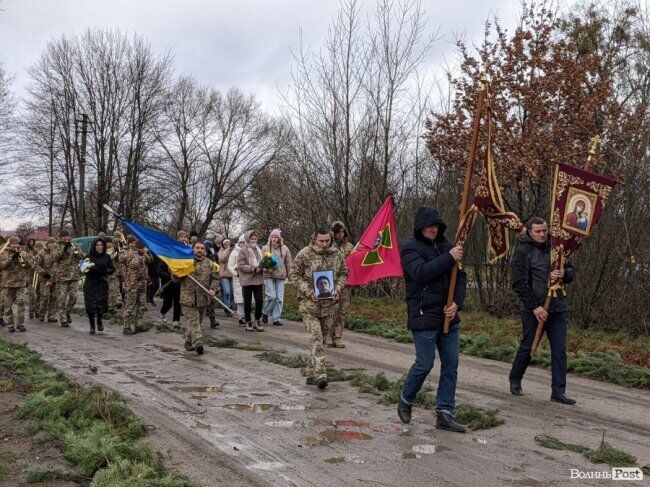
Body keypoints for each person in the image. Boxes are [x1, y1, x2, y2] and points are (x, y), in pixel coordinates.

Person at [397, 207, 468, 433]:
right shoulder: (409, 248)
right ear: (420, 228)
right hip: (423, 315)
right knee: (424, 363)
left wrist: (457, 303)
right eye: (429, 226)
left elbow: (461, 278)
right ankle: (406, 398)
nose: (433, 229)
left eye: (436, 226)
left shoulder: (448, 247)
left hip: (448, 316)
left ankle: (445, 412)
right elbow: (421, 273)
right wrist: (449, 257)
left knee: (451, 365)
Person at [509, 217, 577, 405]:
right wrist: (535, 307)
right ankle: (515, 379)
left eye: (544, 230)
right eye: (538, 231)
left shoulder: (558, 249)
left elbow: (571, 273)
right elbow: (519, 283)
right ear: (530, 232)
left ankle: (558, 391)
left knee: (559, 350)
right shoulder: (523, 252)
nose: (542, 234)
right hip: (533, 309)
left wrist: (565, 273)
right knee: (528, 345)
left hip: (557, 307)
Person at [289, 227, 349, 390]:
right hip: (309, 306)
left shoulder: (337, 254)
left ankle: (310, 372)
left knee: (322, 341)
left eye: (327, 241)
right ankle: (321, 375)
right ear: (314, 239)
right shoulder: (304, 254)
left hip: (329, 306)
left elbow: (344, 273)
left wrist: (337, 288)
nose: (324, 244)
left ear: (331, 240)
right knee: (316, 340)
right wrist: (308, 292)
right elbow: (293, 275)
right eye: (321, 241)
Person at [179, 241, 220, 355]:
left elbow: (215, 279)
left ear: (205, 250)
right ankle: (198, 343)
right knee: (194, 321)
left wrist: (213, 289)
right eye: (197, 248)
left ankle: (188, 342)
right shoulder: (185, 261)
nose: (200, 250)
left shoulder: (210, 263)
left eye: (202, 248)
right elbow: (176, 279)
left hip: (202, 299)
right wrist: (175, 272)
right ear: (193, 249)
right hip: (188, 299)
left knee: (197, 322)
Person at [329, 221, 355, 348]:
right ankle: (327, 335)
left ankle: (337, 337)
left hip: (345, 283)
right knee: (331, 309)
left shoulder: (349, 247)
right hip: (330, 282)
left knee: (342, 311)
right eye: (338, 231)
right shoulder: (327, 245)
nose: (340, 234)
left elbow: (356, 262)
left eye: (342, 231)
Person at [119, 236, 152, 335]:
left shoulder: (142, 254)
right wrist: (134, 252)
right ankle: (127, 327)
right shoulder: (128, 253)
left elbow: (150, 260)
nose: (133, 245)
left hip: (142, 284)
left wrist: (145, 252)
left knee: (142, 305)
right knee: (130, 306)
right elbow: (122, 260)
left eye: (135, 243)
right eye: (131, 243)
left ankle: (139, 325)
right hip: (132, 284)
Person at [52, 229, 85, 328]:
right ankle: (63, 319)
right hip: (62, 276)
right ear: (61, 237)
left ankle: (67, 312)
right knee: (62, 298)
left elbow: (82, 256)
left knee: (73, 297)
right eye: (64, 236)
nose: (67, 238)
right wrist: (64, 249)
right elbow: (55, 257)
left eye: (68, 236)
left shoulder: (74, 244)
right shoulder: (56, 245)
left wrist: (76, 252)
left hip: (73, 275)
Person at [83, 238, 115, 334]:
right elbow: (83, 269)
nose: (99, 247)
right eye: (97, 245)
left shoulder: (106, 256)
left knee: (100, 304)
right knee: (91, 305)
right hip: (91, 283)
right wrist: (90, 270)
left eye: (101, 245)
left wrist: (105, 272)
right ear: (94, 246)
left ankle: (99, 321)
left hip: (102, 283)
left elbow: (112, 268)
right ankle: (92, 326)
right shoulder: (89, 256)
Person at [261, 229, 292, 326]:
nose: (274, 239)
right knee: (272, 296)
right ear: (270, 238)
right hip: (269, 274)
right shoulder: (265, 248)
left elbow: (288, 262)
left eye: (276, 237)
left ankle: (276, 318)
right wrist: (265, 268)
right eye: (272, 237)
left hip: (281, 275)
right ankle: (265, 312)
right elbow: (261, 262)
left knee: (279, 298)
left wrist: (290, 274)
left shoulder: (285, 248)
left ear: (279, 238)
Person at [0, 237, 31, 332]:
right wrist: (11, 258)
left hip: (20, 283)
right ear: (10, 244)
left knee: (21, 303)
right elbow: (2, 266)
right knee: (8, 305)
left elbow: (29, 265)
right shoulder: (3, 252)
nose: (16, 245)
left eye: (17, 243)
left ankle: (20, 324)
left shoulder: (23, 252)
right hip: (8, 283)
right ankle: (10, 324)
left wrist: (23, 258)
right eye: (13, 243)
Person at [237, 230, 265, 331]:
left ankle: (257, 320)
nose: (254, 240)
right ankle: (248, 321)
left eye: (255, 238)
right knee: (247, 302)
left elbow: (261, 263)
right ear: (248, 239)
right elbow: (240, 266)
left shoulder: (259, 250)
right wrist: (252, 269)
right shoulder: (243, 250)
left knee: (259, 301)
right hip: (247, 280)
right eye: (252, 238)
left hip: (258, 279)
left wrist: (266, 266)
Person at [228, 234, 246, 325]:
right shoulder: (234, 252)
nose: (242, 244)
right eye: (241, 242)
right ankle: (241, 316)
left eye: (244, 242)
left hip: (247, 277)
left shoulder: (248, 251)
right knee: (239, 298)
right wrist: (236, 273)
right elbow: (230, 266)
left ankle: (247, 315)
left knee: (247, 297)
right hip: (238, 278)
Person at [107, 232, 125, 314]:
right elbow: (111, 257)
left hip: (122, 270)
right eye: (116, 237)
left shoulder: (122, 246)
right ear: (113, 238)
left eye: (119, 237)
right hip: (114, 271)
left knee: (120, 287)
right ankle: (113, 305)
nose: (118, 239)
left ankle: (117, 302)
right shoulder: (112, 247)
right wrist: (116, 249)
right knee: (114, 288)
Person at [218, 239, 235, 317]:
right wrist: (228, 250)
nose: (228, 245)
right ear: (223, 245)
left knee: (232, 292)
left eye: (229, 244)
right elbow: (223, 259)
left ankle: (229, 305)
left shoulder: (234, 252)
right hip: (224, 274)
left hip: (232, 274)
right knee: (227, 292)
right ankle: (227, 307)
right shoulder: (220, 252)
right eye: (225, 244)